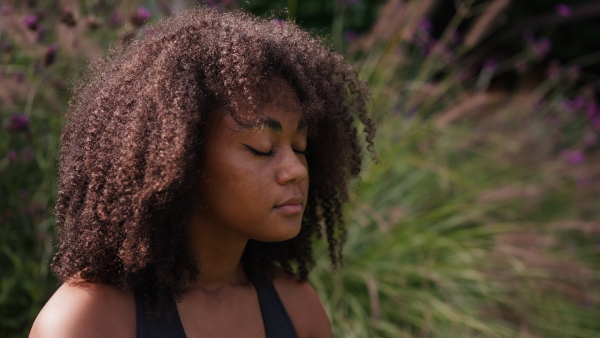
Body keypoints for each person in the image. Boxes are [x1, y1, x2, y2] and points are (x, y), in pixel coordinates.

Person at [30, 7, 375, 338]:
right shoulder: (87, 321)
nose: (296, 170)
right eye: (261, 147)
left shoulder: (298, 309)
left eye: (300, 147)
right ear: (179, 159)